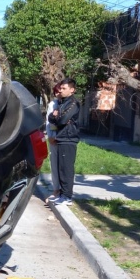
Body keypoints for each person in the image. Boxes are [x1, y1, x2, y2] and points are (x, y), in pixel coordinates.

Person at [47, 78, 80, 207]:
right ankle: (62, 194)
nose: (61, 90)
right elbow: (51, 118)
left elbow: (61, 120)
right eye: (61, 88)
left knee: (66, 169)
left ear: (72, 90)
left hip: (69, 138)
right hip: (61, 138)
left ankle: (67, 196)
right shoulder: (62, 103)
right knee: (61, 168)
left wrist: (57, 116)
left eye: (64, 88)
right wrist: (55, 116)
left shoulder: (73, 103)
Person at [45, 84, 62, 203]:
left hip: (66, 139)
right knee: (54, 165)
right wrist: (50, 136)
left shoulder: (69, 104)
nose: (57, 94)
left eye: (59, 91)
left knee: (64, 166)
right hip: (54, 138)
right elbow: (49, 122)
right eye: (55, 92)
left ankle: (64, 191)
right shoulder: (53, 105)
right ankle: (56, 190)